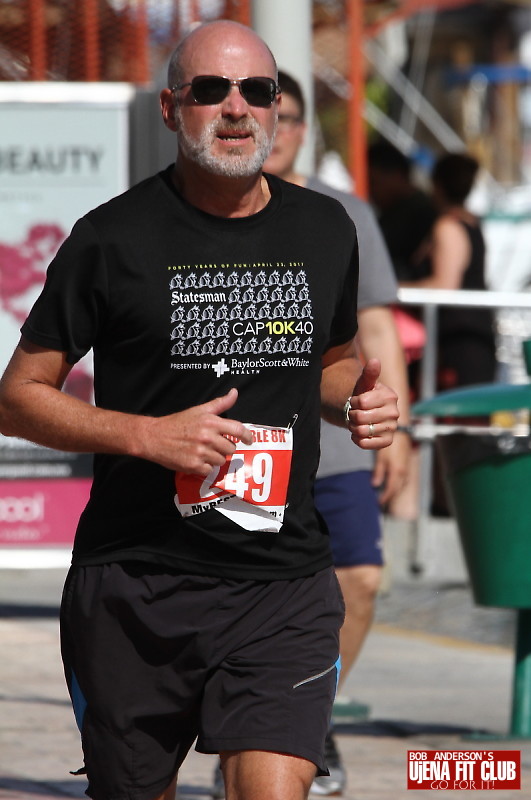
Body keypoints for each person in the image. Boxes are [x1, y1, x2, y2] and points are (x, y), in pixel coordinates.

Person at [0, 21, 399, 800]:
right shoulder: (111, 239)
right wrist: (146, 436)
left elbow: (330, 361)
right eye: (211, 90)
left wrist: (358, 401)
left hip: (281, 582)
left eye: (258, 91)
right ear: (170, 108)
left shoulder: (323, 228)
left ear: (278, 108)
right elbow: (17, 398)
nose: (236, 108)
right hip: (138, 582)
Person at [262, 70, 411, 797]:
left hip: (337, 439)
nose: (275, 128)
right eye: (266, 112)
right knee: (252, 597)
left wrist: (400, 430)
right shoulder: (211, 213)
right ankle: (259, 736)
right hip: (249, 441)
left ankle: (306, 716)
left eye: (288, 115)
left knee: (361, 579)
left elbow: (377, 325)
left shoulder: (346, 214)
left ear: (303, 128)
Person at [367, 140, 437, 282]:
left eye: (373, 182)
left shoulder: (421, 214)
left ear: (396, 175)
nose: (370, 191)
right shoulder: (393, 212)